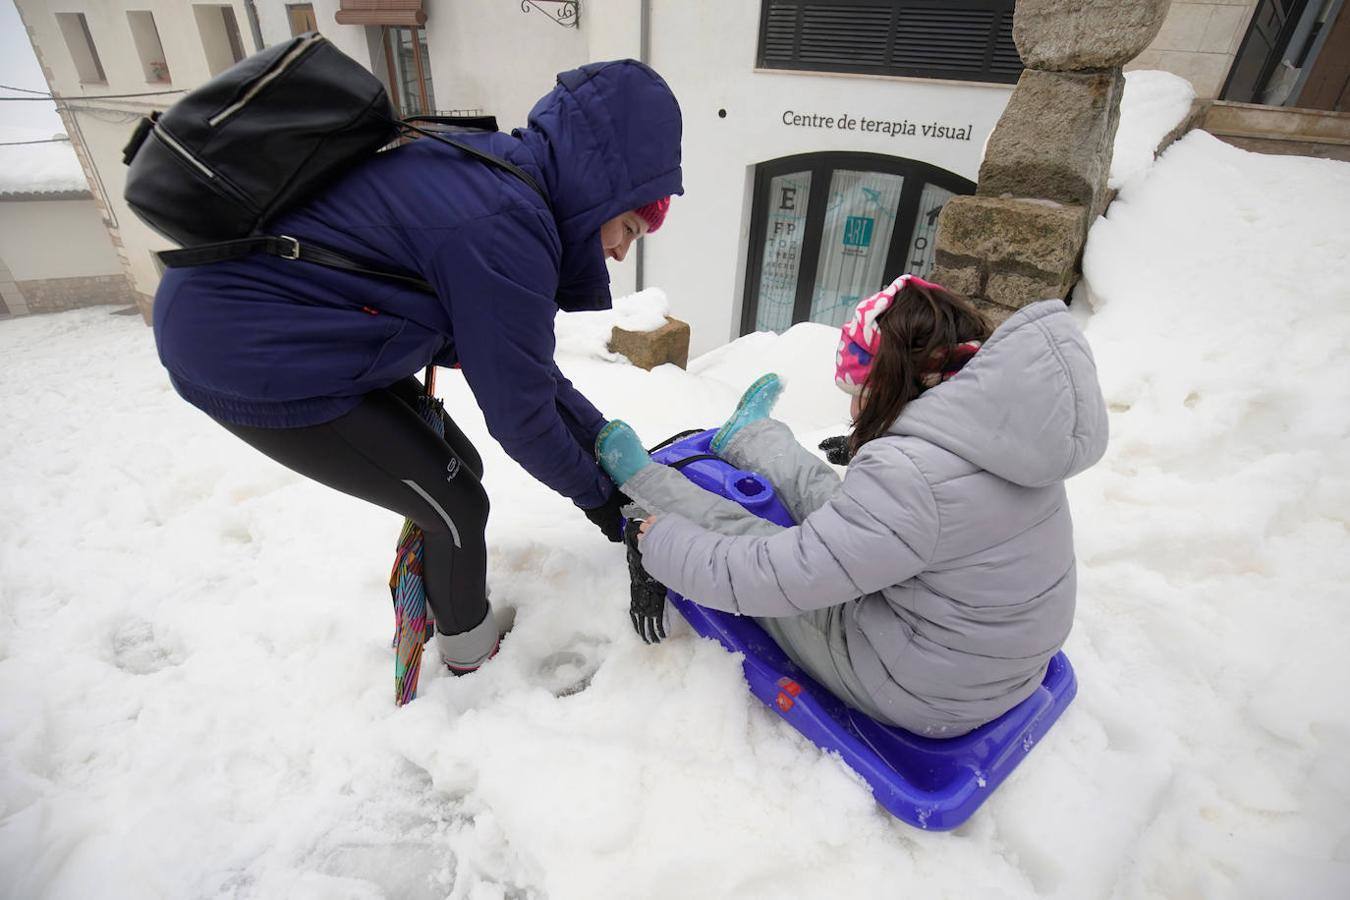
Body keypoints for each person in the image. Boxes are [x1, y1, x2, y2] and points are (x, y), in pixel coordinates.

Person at [152, 60, 683, 674]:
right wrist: (601, 501)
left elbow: (530, 376)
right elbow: (523, 416)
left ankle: (441, 599)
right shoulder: (506, 226)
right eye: (626, 227)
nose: (620, 250)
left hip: (288, 323)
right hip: (250, 349)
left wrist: (603, 445)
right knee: (457, 506)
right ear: (601, 192)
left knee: (455, 471)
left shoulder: (497, 174)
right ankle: (470, 658)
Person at [596, 275, 1109, 737]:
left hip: (920, 688)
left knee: (758, 540)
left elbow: (772, 577)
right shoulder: (1004, 437)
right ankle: (752, 435)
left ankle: (645, 481)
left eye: (856, 391)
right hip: (996, 667)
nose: (850, 408)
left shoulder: (909, 475)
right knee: (843, 506)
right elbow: (888, 515)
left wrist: (663, 543)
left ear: (887, 384)